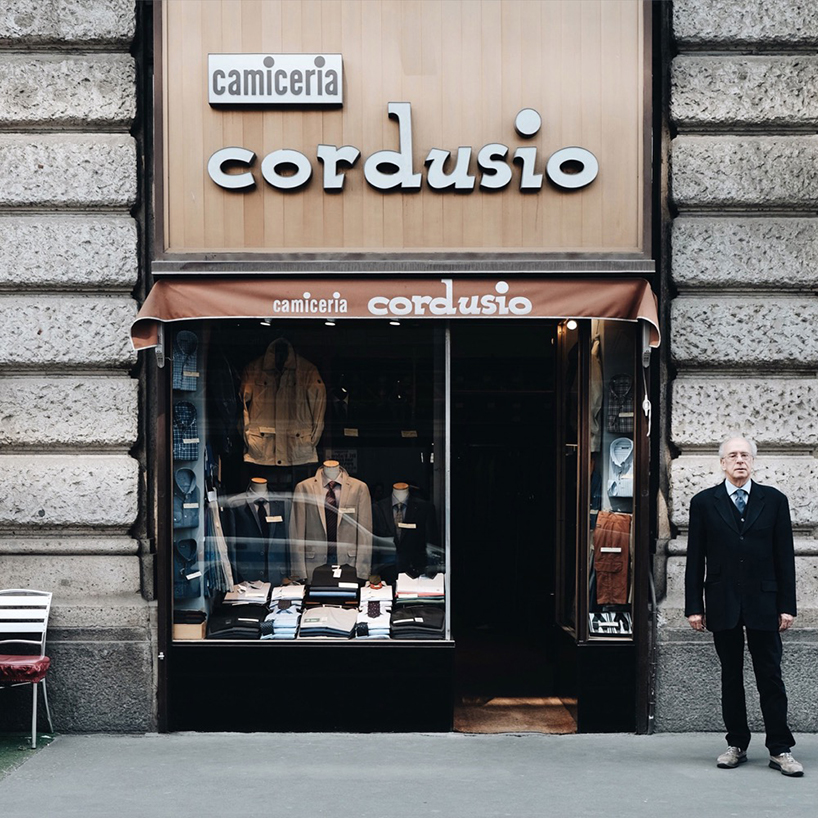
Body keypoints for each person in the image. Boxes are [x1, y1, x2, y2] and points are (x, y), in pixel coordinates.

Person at [685, 435, 802, 777]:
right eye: (733, 455)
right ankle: (736, 744)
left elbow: (785, 557)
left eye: (745, 455)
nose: (739, 460)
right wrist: (695, 606)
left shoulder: (774, 500)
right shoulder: (704, 502)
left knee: (770, 675)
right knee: (730, 676)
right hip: (723, 602)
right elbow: (695, 559)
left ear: (754, 461)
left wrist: (787, 606)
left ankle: (780, 748)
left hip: (765, 602)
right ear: (722, 463)